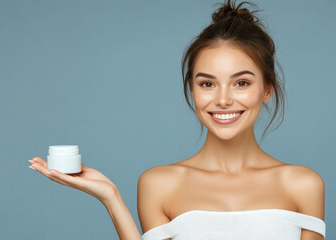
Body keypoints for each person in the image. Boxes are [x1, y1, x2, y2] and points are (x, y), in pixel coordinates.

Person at [28, 0, 326, 239]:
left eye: (241, 83)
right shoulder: (159, 185)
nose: (223, 99)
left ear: (267, 89)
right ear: (192, 90)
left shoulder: (303, 185)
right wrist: (111, 198)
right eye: (207, 84)